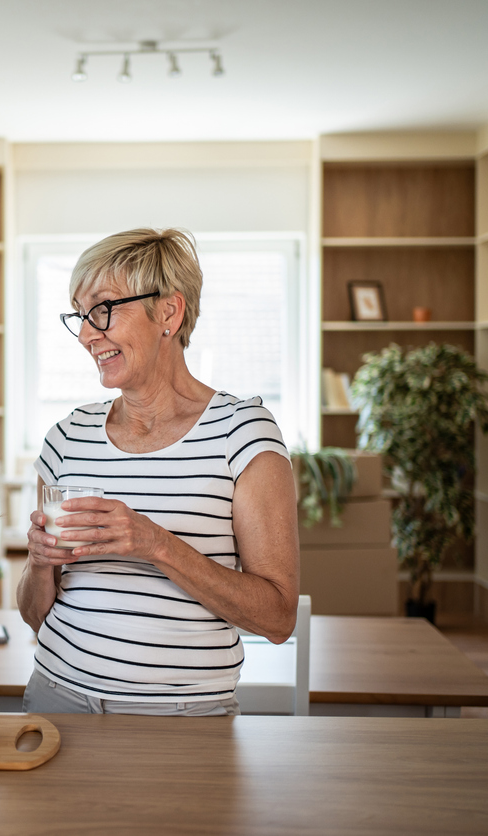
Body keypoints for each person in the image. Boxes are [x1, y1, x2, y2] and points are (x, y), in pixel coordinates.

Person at [18, 228, 299, 716]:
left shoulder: (242, 433)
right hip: (56, 697)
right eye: (80, 315)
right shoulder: (67, 437)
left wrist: (156, 544)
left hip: (182, 717)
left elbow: (277, 618)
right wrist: (41, 562)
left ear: (169, 312)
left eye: (103, 309)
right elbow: (35, 614)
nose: (87, 333)